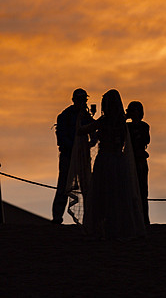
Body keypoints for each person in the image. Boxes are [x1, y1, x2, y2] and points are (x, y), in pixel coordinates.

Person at [77, 89, 146, 239]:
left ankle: (103, 226)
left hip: (105, 160)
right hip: (118, 160)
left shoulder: (104, 121)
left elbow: (83, 130)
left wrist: (82, 117)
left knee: (104, 192)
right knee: (119, 193)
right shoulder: (121, 123)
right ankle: (118, 226)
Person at [51, 88, 95, 224]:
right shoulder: (65, 116)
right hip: (69, 156)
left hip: (81, 156)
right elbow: (62, 139)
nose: (83, 103)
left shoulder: (85, 116)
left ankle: (89, 217)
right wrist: (77, 147)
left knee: (86, 186)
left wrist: (87, 145)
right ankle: (57, 218)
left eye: (84, 100)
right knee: (64, 185)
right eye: (81, 100)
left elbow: (93, 134)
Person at [126, 101, 151, 225]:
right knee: (129, 190)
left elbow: (145, 140)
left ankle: (144, 220)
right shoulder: (127, 127)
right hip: (130, 160)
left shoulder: (144, 126)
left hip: (140, 160)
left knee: (142, 191)